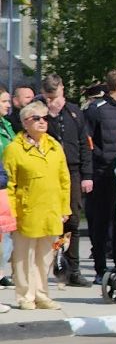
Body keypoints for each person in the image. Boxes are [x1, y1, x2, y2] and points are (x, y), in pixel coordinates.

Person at [5, 101, 69, 310]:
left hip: (50, 210)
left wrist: (64, 208)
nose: (42, 122)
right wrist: (11, 213)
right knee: (24, 258)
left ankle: (42, 294)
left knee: (44, 257)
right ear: (25, 123)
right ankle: (25, 296)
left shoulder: (54, 146)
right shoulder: (15, 149)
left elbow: (64, 180)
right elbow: (9, 184)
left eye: (45, 118)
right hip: (26, 210)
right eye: (36, 119)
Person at [80, 68, 116, 281]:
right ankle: (100, 268)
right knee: (101, 222)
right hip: (102, 174)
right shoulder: (96, 109)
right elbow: (87, 142)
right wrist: (94, 167)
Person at [41, 74, 86, 285]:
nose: (52, 102)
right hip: (48, 173)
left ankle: (72, 270)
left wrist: (88, 175)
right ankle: (46, 268)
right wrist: (48, 115)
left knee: (73, 221)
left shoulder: (74, 112)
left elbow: (85, 144)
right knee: (49, 222)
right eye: (48, 97)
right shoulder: (39, 114)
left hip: (73, 171)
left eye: (55, 96)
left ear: (63, 91)